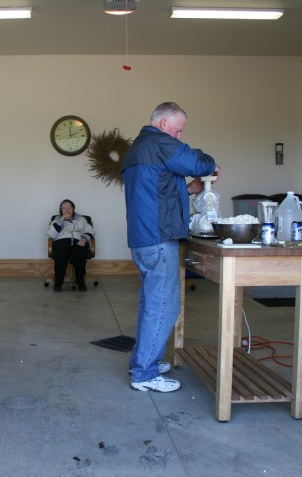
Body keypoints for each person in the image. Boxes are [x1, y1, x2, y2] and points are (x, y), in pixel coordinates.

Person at [123, 101, 220, 393]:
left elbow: (157, 191)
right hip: (158, 238)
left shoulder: (138, 147)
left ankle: (142, 361)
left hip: (143, 238)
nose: (179, 136)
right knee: (164, 305)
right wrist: (211, 164)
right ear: (164, 124)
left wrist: (188, 190)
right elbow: (197, 162)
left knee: (150, 303)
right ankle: (145, 372)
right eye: (178, 131)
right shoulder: (159, 142)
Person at [47, 199, 94, 291]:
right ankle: (58, 283)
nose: (67, 210)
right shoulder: (56, 220)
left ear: (73, 209)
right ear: (61, 210)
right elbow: (51, 235)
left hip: (78, 242)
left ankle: (81, 282)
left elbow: (90, 231)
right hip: (61, 243)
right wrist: (61, 221)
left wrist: (84, 239)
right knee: (61, 256)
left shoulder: (81, 219)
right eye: (64, 208)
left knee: (79, 256)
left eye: (69, 208)